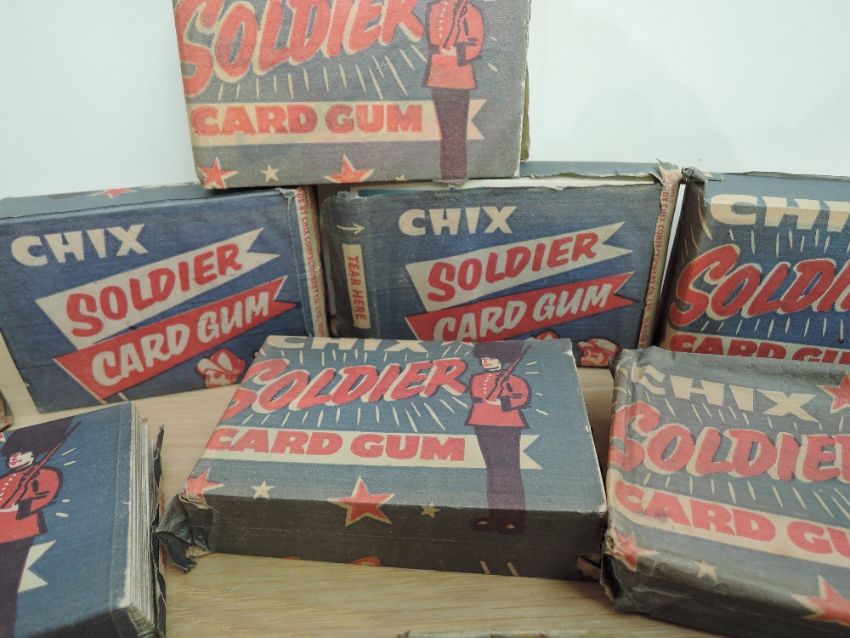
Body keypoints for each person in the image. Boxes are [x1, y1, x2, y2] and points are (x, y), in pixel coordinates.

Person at [0, 425, 65, 638]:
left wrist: (19, 507)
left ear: (32, 454)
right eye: (12, 455)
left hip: (20, 532)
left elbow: (45, 494)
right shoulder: (3, 480)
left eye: (20, 453)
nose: (14, 458)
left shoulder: (45, 473)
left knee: (8, 585)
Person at [465, 341, 530, 534]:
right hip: (483, 424)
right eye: (484, 358)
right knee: (493, 470)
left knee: (509, 470)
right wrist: (497, 391)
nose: (486, 361)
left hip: (508, 425)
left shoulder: (514, 379)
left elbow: (522, 397)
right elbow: (478, 396)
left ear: (502, 359)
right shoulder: (477, 378)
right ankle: (496, 516)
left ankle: (515, 518)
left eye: (491, 358)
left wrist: (504, 400)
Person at [424, 0, 485, 181]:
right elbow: (433, 41)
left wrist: (455, 52)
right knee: (446, 134)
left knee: (455, 135)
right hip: (437, 77)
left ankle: (456, 175)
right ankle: (448, 175)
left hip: (459, 79)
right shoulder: (434, 8)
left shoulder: (470, 11)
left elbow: (476, 44)